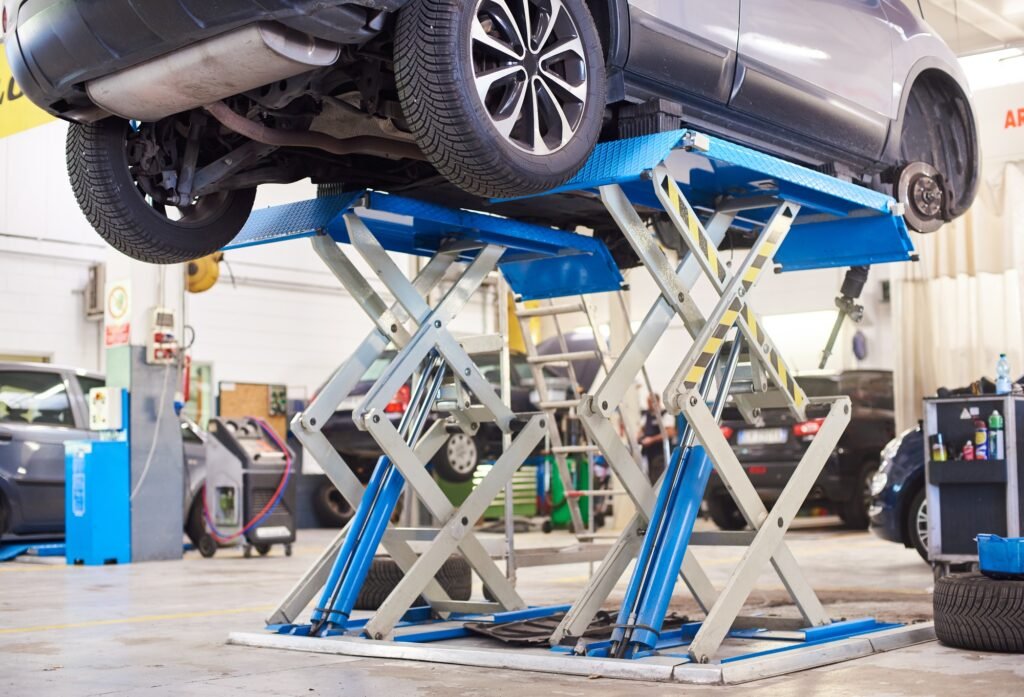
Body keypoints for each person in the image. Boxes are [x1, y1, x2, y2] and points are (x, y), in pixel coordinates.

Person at [638, 393, 677, 484]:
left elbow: (670, 432)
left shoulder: (665, 414)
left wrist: (652, 440)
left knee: (658, 480)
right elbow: (641, 430)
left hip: (661, 455)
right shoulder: (646, 416)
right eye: (648, 402)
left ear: (657, 402)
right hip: (648, 454)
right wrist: (639, 438)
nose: (648, 405)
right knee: (649, 480)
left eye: (650, 402)